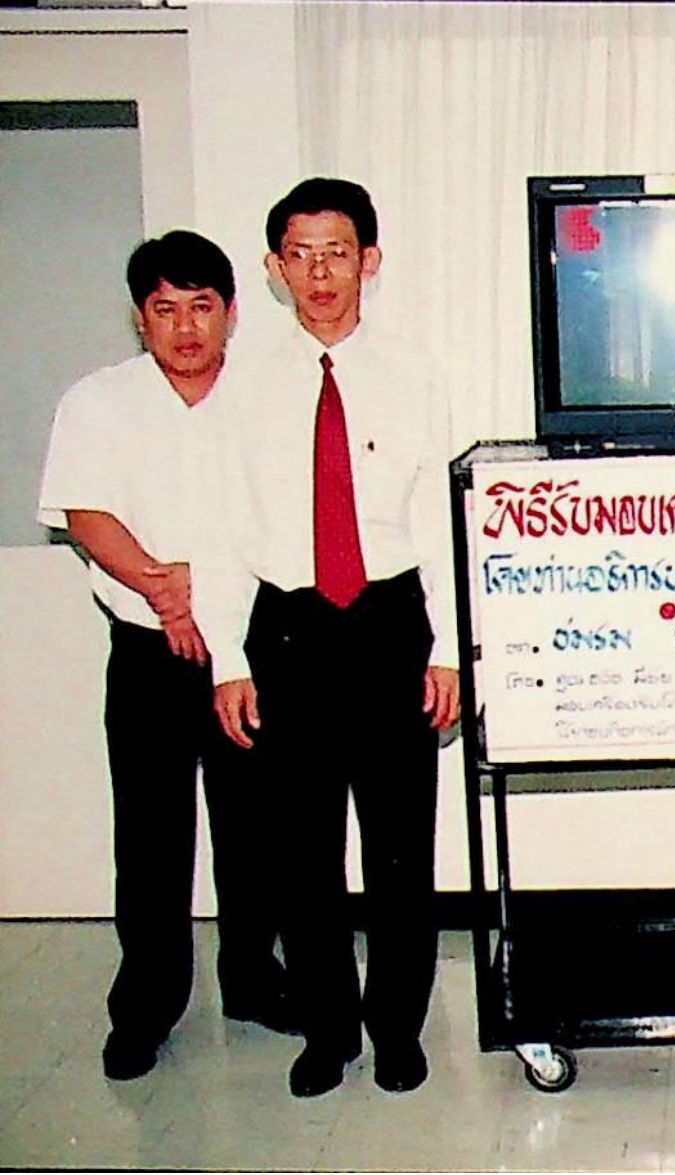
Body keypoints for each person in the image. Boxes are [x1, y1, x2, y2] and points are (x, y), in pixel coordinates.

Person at [193, 177, 460, 1098]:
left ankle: (397, 1030)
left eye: (336, 252)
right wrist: (228, 660)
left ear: (369, 261)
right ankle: (327, 1031)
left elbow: (434, 517)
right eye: (299, 255)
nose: (318, 273)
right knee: (301, 852)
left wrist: (446, 646)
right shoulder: (242, 385)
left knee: (399, 849)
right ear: (274, 268)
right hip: (288, 629)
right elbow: (222, 524)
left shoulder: (415, 373)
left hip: (389, 622)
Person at [37, 230, 295, 1082]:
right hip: (150, 646)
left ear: (231, 313)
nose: (185, 328)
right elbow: (85, 512)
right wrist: (162, 589)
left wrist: (207, 600)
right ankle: (145, 1005)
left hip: (249, 645)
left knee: (255, 827)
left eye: (201, 307)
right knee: (150, 836)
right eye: (164, 309)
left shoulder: (266, 396)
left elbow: (282, 514)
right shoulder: (98, 401)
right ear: (139, 317)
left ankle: (253, 979)